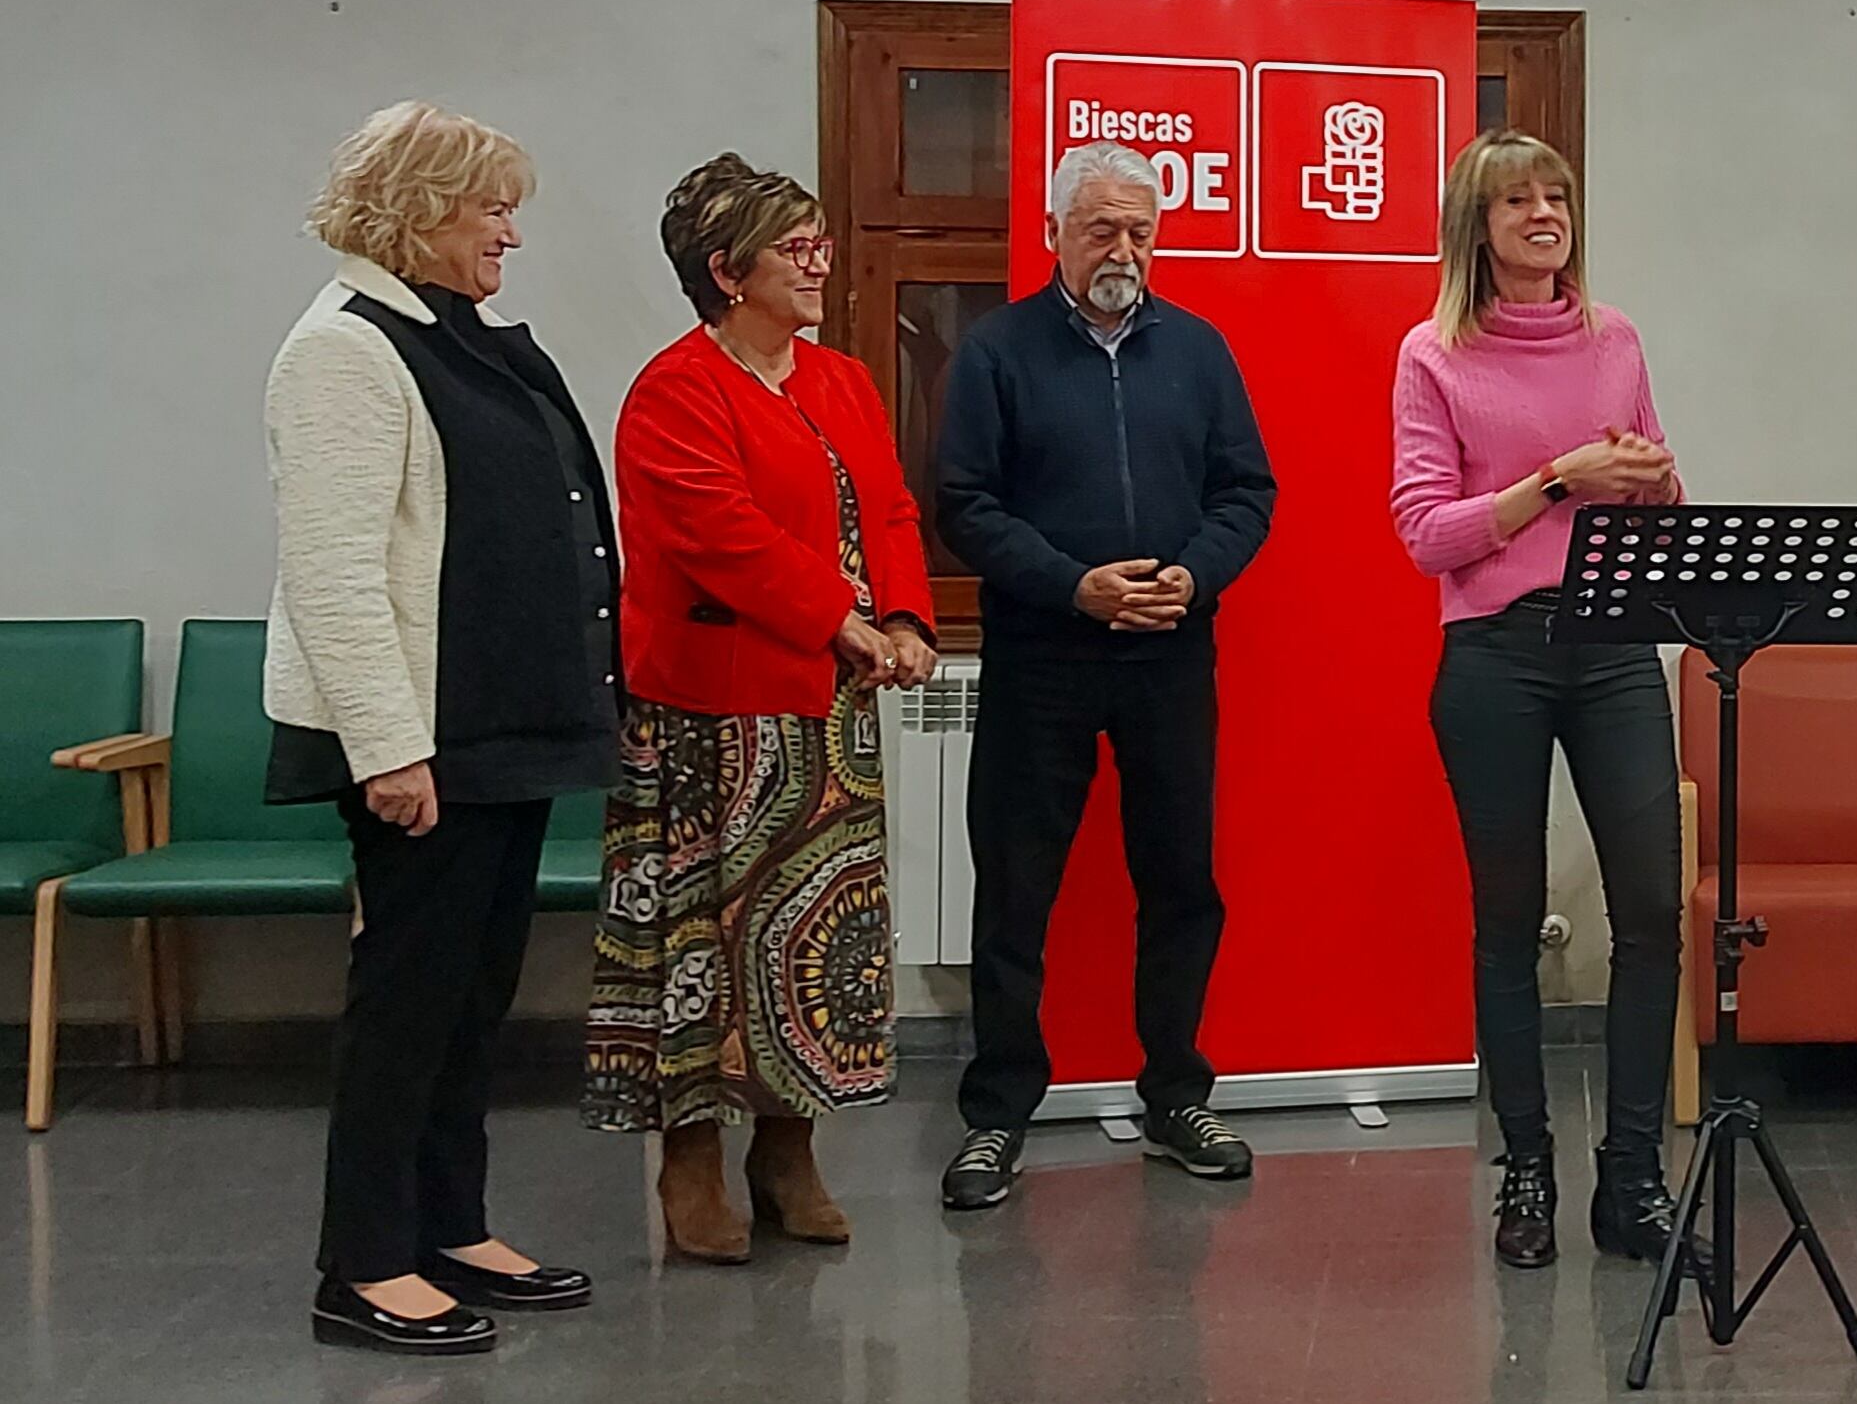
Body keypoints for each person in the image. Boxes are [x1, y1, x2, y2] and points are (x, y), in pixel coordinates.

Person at [265, 102, 618, 1356]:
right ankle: (361, 1263)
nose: (510, 232)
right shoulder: (345, 348)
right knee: (407, 1003)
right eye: (491, 208)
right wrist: (386, 750)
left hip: (505, 728)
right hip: (423, 742)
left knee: (474, 998)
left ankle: (449, 1225)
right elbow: (336, 572)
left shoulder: (459, 337)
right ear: (416, 210)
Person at [587, 155, 939, 1262]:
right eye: (796, 247)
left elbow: (885, 504)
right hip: (711, 720)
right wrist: (845, 622)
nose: (819, 263)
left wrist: (910, 622)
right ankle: (687, 1164)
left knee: (808, 943)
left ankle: (788, 1149)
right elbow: (721, 536)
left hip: (827, 717)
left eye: (821, 241)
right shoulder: (673, 390)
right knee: (699, 944)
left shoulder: (839, 379)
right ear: (727, 272)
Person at [933, 140, 1276, 1210]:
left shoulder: (1201, 351)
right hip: (1044, 656)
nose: (1123, 249)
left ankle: (1176, 1094)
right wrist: (1076, 585)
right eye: (1100, 230)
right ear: (1054, 237)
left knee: (1180, 882)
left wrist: (1192, 574)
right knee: (1017, 891)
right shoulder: (996, 352)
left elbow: (1247, 494)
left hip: (1172, 654)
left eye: (1139, 230)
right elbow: (966, 506)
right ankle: (996, 1117)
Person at [1390, 128, 1687, 1270]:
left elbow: (1662, 486)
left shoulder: (1617, 341)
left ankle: (1633, 1176)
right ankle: (1527, 1170)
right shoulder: (1435, 352)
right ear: (1480, 225)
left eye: (1555, 195)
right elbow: (1426, 534)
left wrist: (1654, 480)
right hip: (1496, 653)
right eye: (1516, 201)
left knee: (1652, 912)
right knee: (1507, 923)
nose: (1542, 215)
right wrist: (1559, 478)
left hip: (1613, 649)